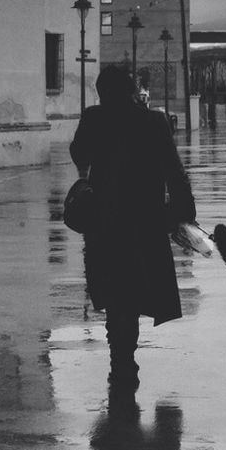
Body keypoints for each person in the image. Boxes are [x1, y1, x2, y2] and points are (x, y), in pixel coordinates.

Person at [69, 65, 196, 390]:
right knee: (135, 289)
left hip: (106, 221)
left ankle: (120, 358)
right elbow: (174, 170)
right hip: (145, 220)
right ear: (131, 89)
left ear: (103, 92)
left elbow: (79, 156)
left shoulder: (95, 118)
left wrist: (92, 121)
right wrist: (185, 212)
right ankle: (125, 356)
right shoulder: (153, 120)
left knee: (115, 294)